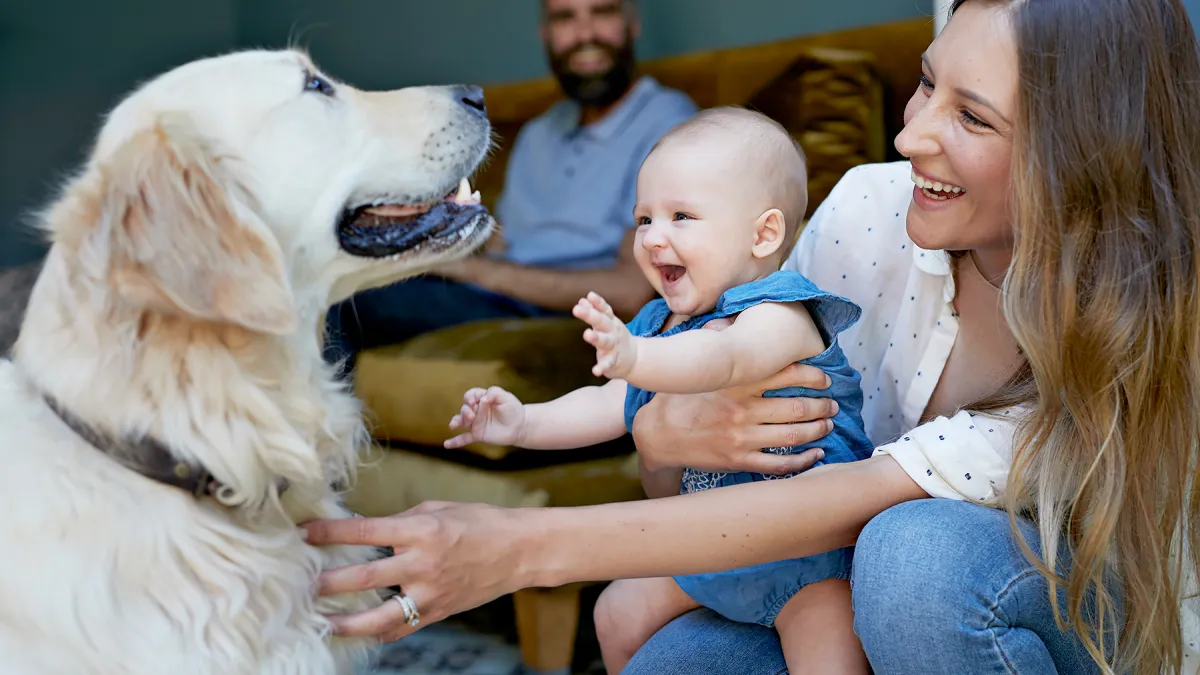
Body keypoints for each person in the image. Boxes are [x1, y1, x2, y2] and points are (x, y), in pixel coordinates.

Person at [303, 0, 1200, 673]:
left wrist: (516, 547)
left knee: (916, 556)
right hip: (826, 570)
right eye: (929, 83)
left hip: (1054, 613)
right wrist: (661, 433)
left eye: (972, 116)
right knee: (671, 657)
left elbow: (852, 499)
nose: (909, 133)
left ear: (1078, 156)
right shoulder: (867, 210)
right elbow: (702, 462)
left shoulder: (1126, 320)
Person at [443, 108, 874, 674]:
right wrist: (523, 423)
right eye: (643, 219)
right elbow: (608, 404)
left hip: (808, 559)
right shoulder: (659, 324)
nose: (652, 237)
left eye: (681, 216)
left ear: (763, 234)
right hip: (710, 545)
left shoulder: (782, 313)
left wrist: (638, 358)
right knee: (615, 612)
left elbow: (722, 358)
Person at [323, 0, 697, 376]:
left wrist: (470, 270)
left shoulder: (667, 122)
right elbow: (500, 243)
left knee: (342, 303)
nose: (585, 34)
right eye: (564, 17)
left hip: (552, 312)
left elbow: (631, 291)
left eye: (603, 12)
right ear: (545, 33)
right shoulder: (538, 133)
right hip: (489, 296)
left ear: (632, 24)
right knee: (335, 281)